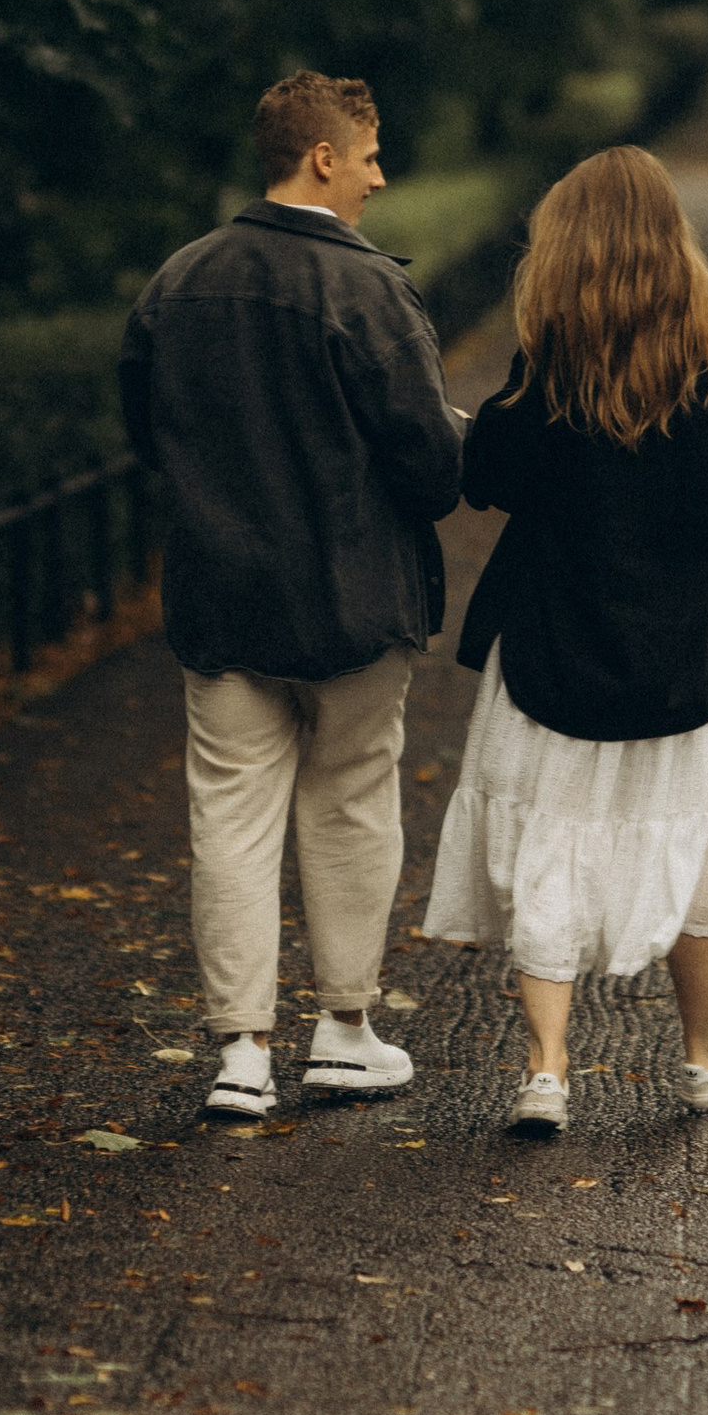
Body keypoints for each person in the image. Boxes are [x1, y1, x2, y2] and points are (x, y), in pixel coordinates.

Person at [120, 70, 465, 1121]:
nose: (378, 175)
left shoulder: (179, 281)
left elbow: (147, 434)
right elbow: (427, 464)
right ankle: (344, 1031)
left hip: (222, 595)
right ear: (322, 157)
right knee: (350, 802)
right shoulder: (368, 292)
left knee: (227, 814)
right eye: (367, 156)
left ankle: (240, 1054)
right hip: (355, 601)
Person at [424, 145, 708, 1136]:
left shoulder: (550, 361)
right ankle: (700, 1058)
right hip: (677, 645)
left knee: (551, 835)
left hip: (554, 638)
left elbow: (494, 480)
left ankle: (546, 1071)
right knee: (688, 829)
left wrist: (480, 427)